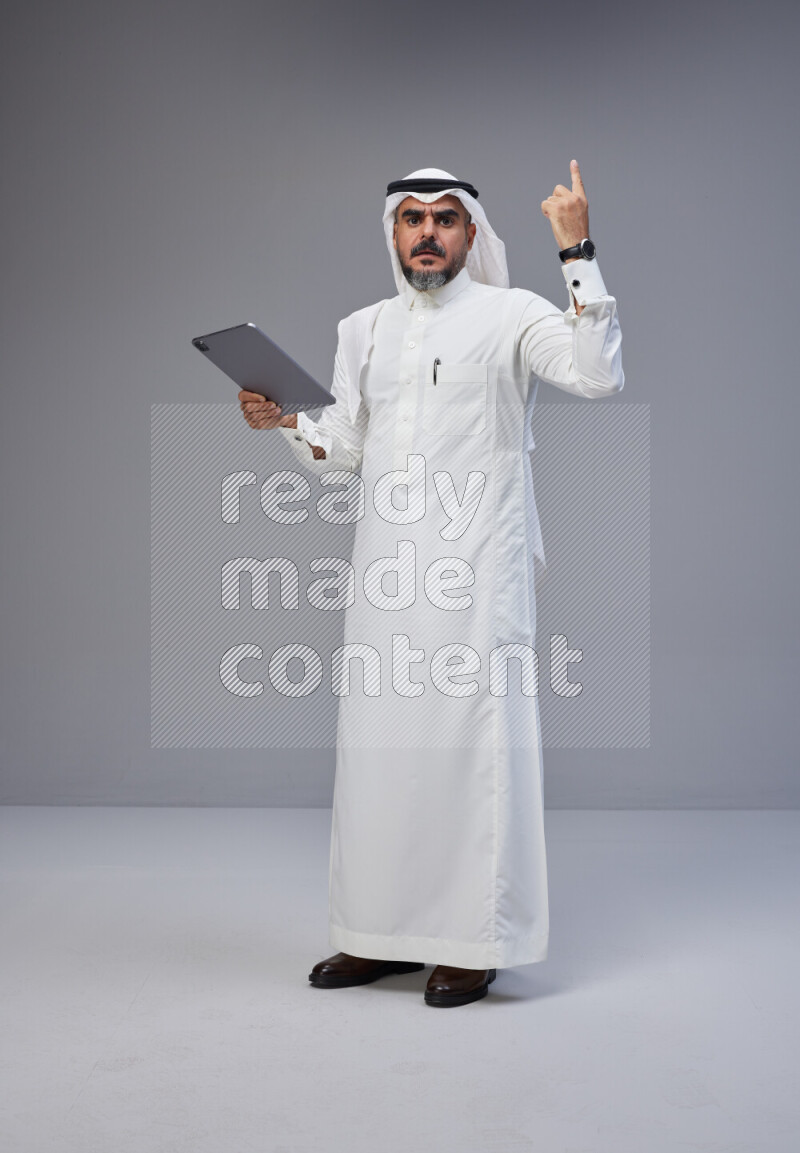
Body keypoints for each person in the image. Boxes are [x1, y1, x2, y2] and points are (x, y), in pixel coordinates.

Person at [239, 163, 623, 1007]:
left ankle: (474, 942)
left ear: (470, 233)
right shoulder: (363, 328)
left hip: (480, 571)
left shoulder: (513, 313)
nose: (427, 232)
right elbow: (345, 448)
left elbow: (598, 375)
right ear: (393, 232)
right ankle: (376, 934)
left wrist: (577, 250)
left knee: (473, 752)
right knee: (379, 754)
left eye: (445, 218)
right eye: (411, 218)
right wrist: (287, 419)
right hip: (386, 572)